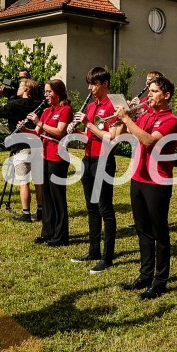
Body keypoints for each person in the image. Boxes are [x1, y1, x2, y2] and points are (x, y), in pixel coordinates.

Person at [115, 76, 177, 286]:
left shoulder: (171, 119)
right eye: (149, 91)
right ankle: (145, 275)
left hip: (157, 181)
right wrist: (124, 117)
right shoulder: (146, 116)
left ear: (166, 95)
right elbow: (123, 133)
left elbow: (149, 140)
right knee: (142, 229)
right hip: (139, 178)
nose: (149, 95)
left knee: (159, 231)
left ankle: (160, 279)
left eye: (153, 91)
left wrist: (128, 119)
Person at [71, 67, 117, 267]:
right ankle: (93, 251)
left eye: (94, 84)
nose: (90, 88)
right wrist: (71, 134)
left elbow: (109, 137)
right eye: (89, 83)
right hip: (88, 159)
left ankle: (107, 256)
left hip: (103, 160)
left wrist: (88, 124)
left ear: (104, 84)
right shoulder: (91, 106)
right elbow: (89, 136)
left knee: (105, 208)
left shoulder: (112, 106)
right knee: (91, 208)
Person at [0, 78, 45, 221]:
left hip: (21, 146)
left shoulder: (14, 104)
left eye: (21, 86)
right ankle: (41, 211)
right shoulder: (40, 104)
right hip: (38, 145)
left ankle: (26, 214)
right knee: (39, 181)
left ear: (26, 89)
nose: (18, 89)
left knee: (24, 182)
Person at [29, 79, 73, 246]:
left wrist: (39, 123)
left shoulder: (65, 110)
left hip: (58, 158)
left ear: (58, 93)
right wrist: (24, 128)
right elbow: (37, 132)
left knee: (57, 198)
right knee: (46, 198)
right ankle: (47, 232)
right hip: (45, 156)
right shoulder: (47, 111)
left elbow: (60, 132)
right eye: (45, 92)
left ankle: (61, 236)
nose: (46, 95)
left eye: (49, 92)